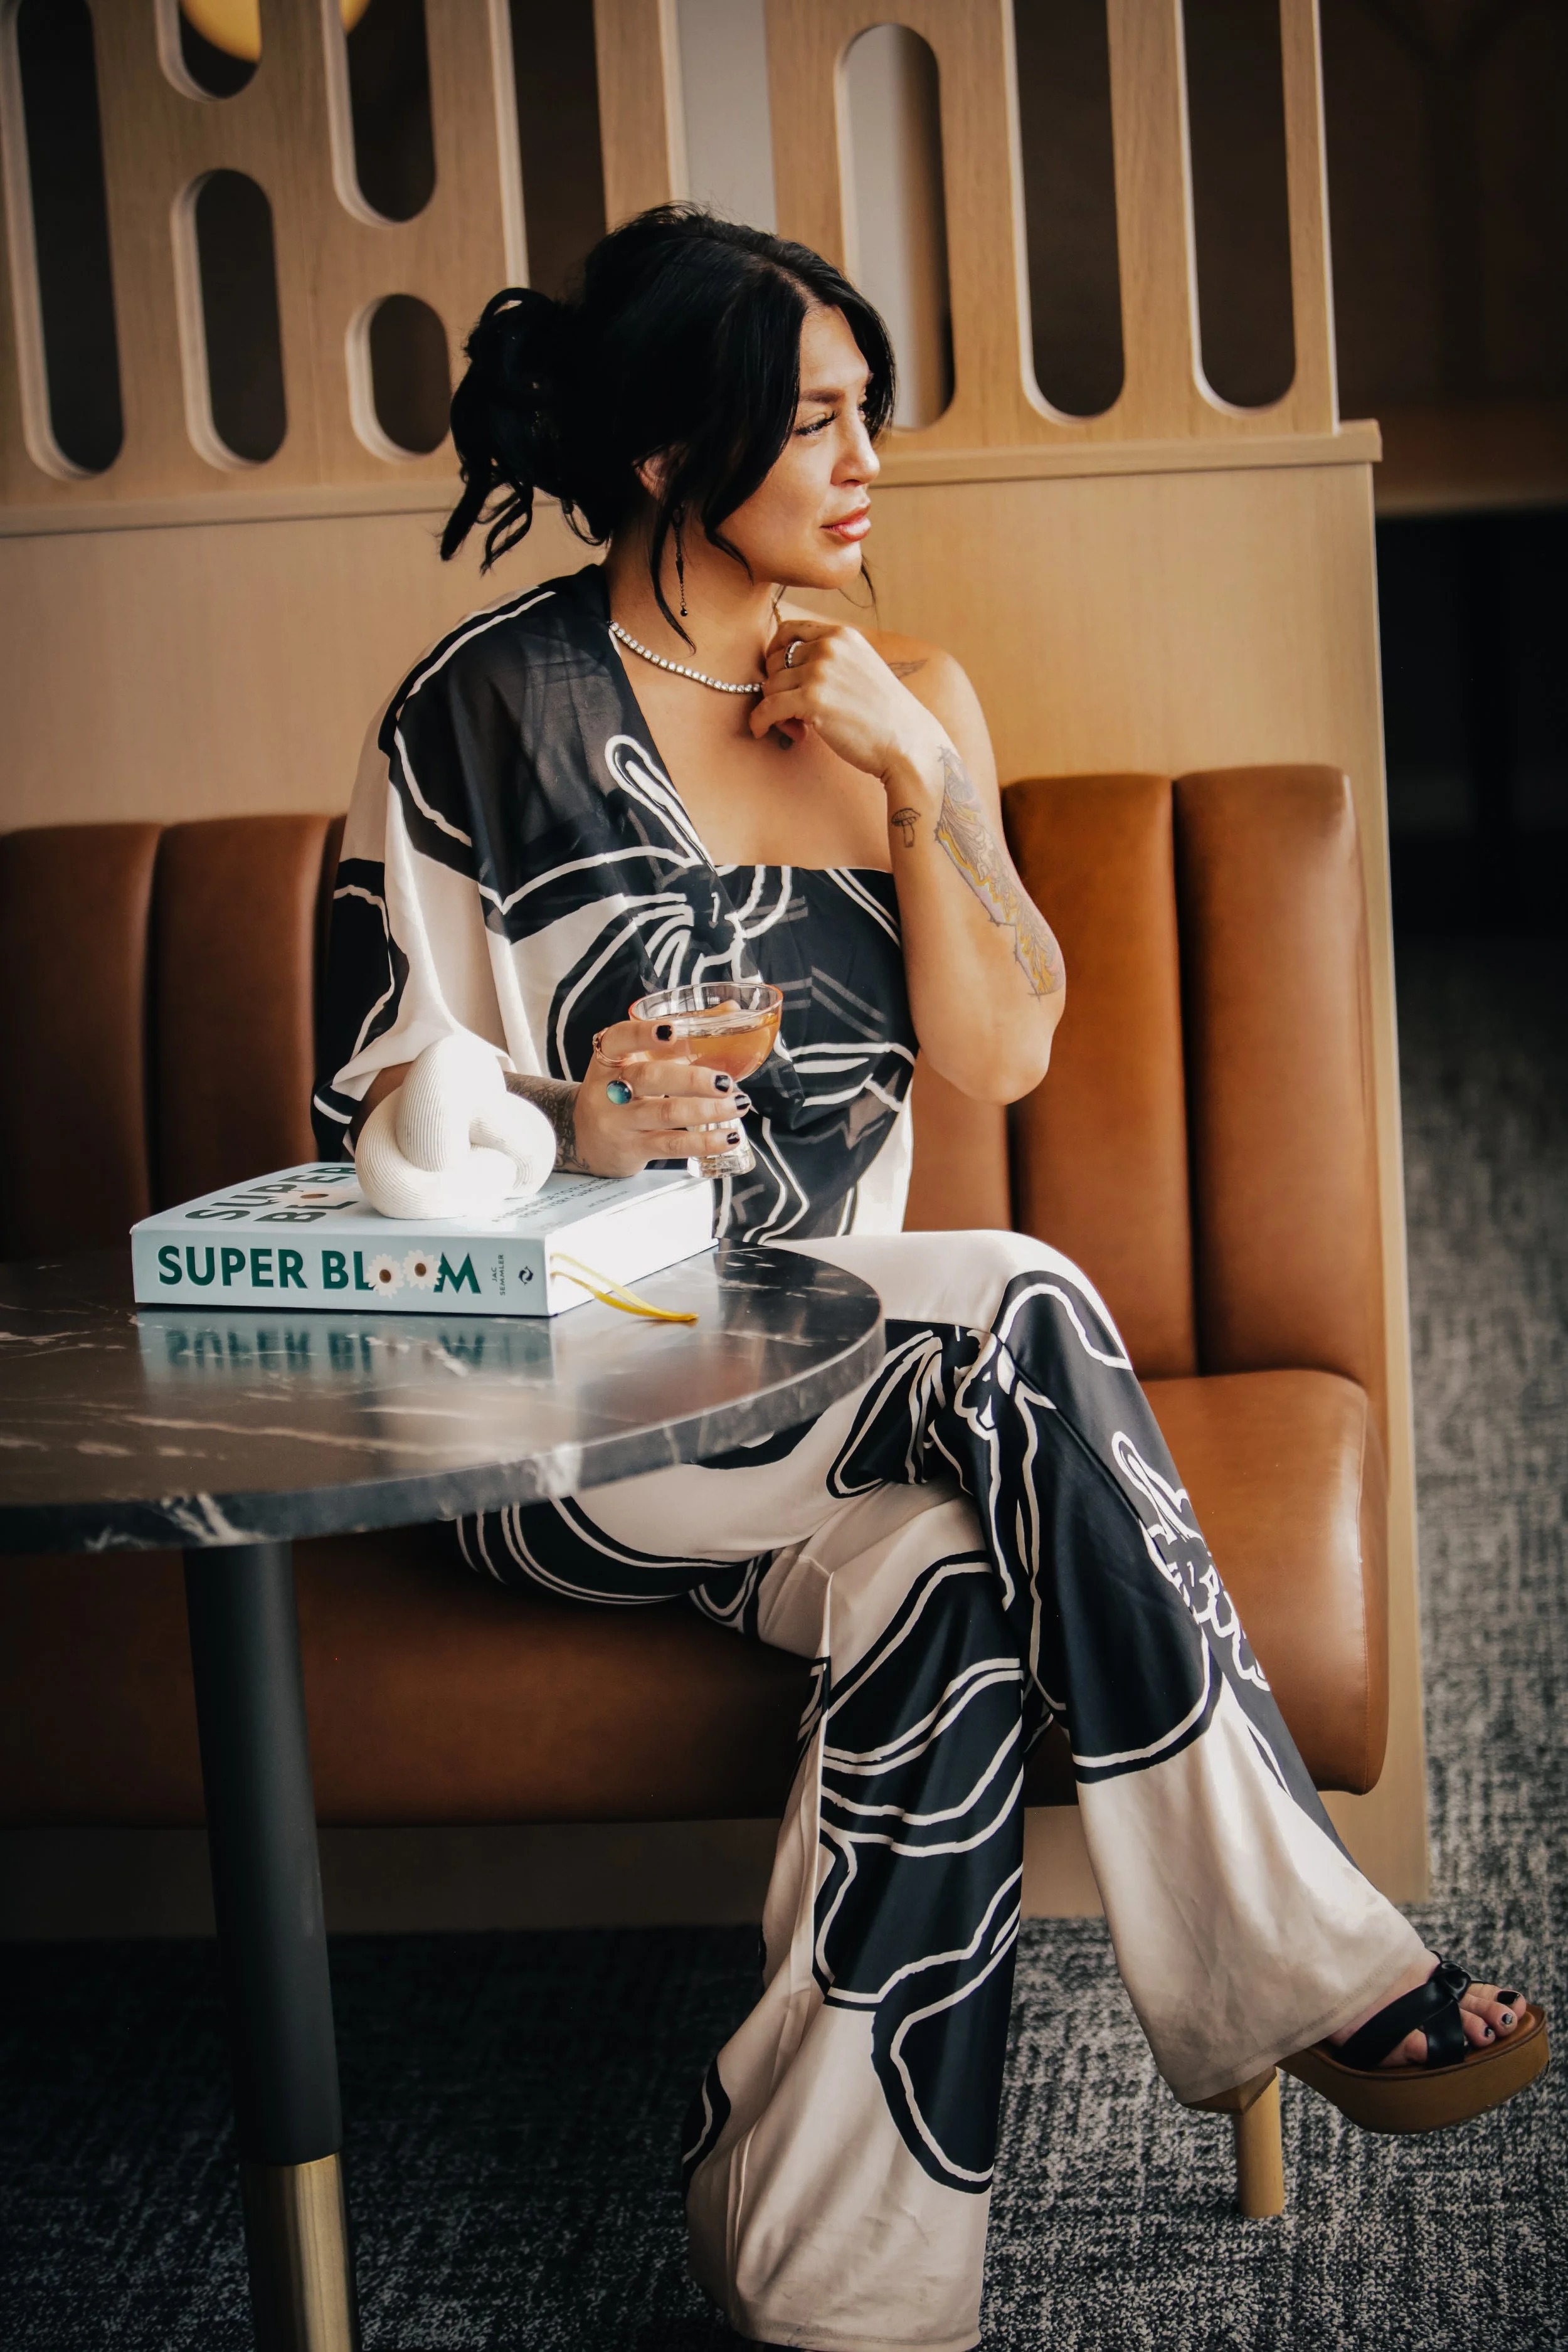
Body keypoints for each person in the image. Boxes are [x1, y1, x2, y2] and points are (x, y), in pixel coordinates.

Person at [314, 208, 1545, 2352]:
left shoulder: (907, 692)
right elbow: (376, 1126)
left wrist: (919, 769)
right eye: (813, 419)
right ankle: (1291, 1946)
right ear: (673, 454)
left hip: (840, 1391)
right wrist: (573, 1126)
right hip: (565, 1396)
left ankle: (831, 2284)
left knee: (946, 1594)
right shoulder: (475, 714)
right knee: (1018, 1294)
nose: (867, 458)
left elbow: (1005, 1048)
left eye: (868, 407)